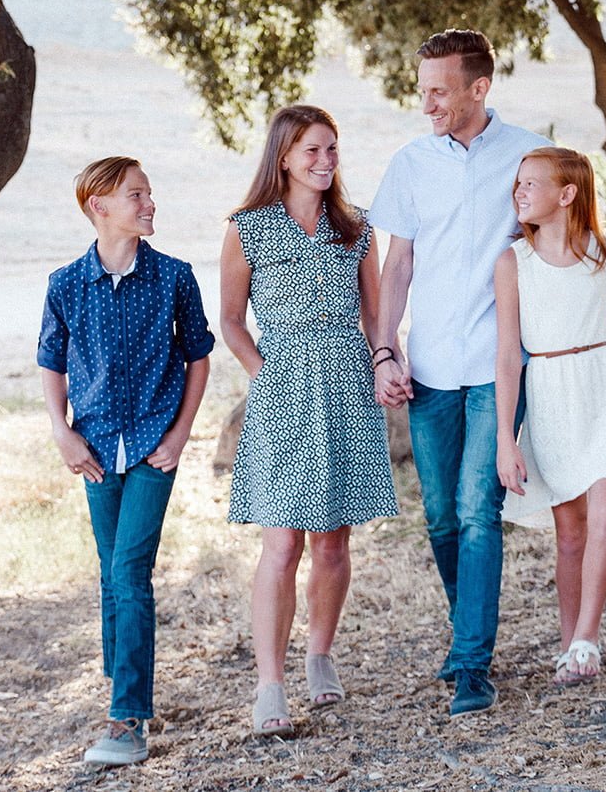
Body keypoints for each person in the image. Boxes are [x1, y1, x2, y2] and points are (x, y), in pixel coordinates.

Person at [370, 29, 550, 717]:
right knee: (441, 517)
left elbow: (558, 241)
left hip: (501, 364)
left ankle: (473, 663)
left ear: (480, 88)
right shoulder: (411, 164)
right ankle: (466, 634)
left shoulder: (528, 156)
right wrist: (385, 350)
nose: (428, 106)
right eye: (423, 92)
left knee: (479, 511)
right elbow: (399, 266)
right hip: (432, 368)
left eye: (439, 91)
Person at [221, 105, 397, 737]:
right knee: (281, 543)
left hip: (347, 385)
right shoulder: (248, 228)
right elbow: (233, 320)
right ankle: (270, 683)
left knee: (332, 540)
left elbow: (377, 314)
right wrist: (262, 374)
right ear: (284, 156)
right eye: (311, 151)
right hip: (282, 393)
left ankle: (319, 654)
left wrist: (384, 360)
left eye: (332, 150)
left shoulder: (357, 229)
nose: (324, 162)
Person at [37, 156, 215, 764]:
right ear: (100, 207)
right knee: (111, 569)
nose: (149, 204)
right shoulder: (65, 284)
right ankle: (124, 678)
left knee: (129, 571)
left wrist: (181, 435)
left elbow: (198, 358)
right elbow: (51, 362)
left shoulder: (174, 277)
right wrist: (61, 433)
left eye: (150, 193)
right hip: (92, 447)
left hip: (152, 447)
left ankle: (128, 718)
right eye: (136, 195)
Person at [494, 146, 606, 685]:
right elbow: (508, 356)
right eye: (518, 184)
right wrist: (505, 440)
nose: (520, 193)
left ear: (567, 194)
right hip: (552, 392)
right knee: (571, 532)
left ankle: (587, 640)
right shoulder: (514, 263)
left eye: (532, 184)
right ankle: (568, 642)